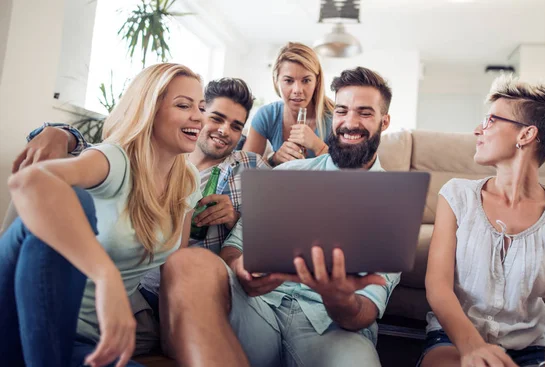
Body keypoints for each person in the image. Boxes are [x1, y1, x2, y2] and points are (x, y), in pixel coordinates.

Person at [160, 67, 400, 367]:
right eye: (342, 110)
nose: (350, 122)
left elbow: (364, 311)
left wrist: (337, 297)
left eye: (364, 113)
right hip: (258, 310)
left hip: (331, 330)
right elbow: (233, 249)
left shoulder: (392, 204)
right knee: (187, 262)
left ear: (384, 121)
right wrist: (241, 269)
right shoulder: (286, 174)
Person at [10, 77, 271, 354]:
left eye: (235, 126)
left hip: (162, 296)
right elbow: (98, 155)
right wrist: (61, 132)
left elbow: (273, 216)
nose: (224, 130)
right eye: (215, 117)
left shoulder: (236, 168)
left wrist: (236, 219)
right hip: (104, 290)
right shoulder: (130, 159)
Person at [0, 63, 205, 367]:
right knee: (75, 202)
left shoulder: (187, 180)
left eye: (201, 106)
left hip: (87, 344)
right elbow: (29, 182)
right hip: (19, 317)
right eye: (183, 105)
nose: (198, 116)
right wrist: (104, 274)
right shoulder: (115, 159)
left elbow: (175, 271)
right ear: (150, 110)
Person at [421, 75, 545, 367]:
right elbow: (438, 286)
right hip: (455, 338)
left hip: (530, 347)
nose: (477, 130)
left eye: (490, 121)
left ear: (525, 135)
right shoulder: (456, 195)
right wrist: (472, 347)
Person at [243, 42, 334, 166]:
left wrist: (318, 146)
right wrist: (274, 159)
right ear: (276, 81)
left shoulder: (336, 117)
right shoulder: (267, 115)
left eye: (306, 80)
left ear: (317, 82)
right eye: (288, 80)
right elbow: (244, 170)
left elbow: (349, 172)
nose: (297, 90)